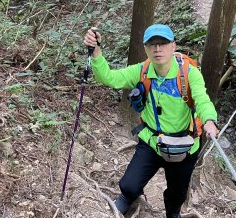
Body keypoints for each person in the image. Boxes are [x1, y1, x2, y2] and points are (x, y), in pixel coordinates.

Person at [83, 24, 219, 218]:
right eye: (152, 44)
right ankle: (126, 199)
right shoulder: (142, 71)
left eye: (162, 43)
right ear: (145, 48)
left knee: (176, 195)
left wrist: (209, 121)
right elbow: (109, 78)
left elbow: (203, 100)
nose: (157, 49)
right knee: (128, 185)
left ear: (173, 46)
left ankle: (173, 214)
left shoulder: (189, 73)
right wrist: (96, 52)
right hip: (152, 142)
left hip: (184, 145)